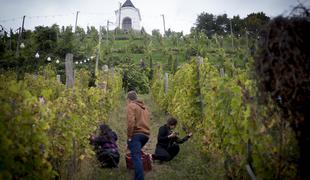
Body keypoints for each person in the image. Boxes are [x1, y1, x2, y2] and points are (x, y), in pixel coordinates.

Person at [127, 90, 150, 180]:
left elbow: (130, 122)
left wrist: (129, 136)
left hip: (136, 134)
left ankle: (139, 178)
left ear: (129, 99)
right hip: (146, 135)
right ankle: (137, 169)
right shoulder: (144, 108)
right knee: (135, 153)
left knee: (136, 157)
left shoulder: (131, 105)